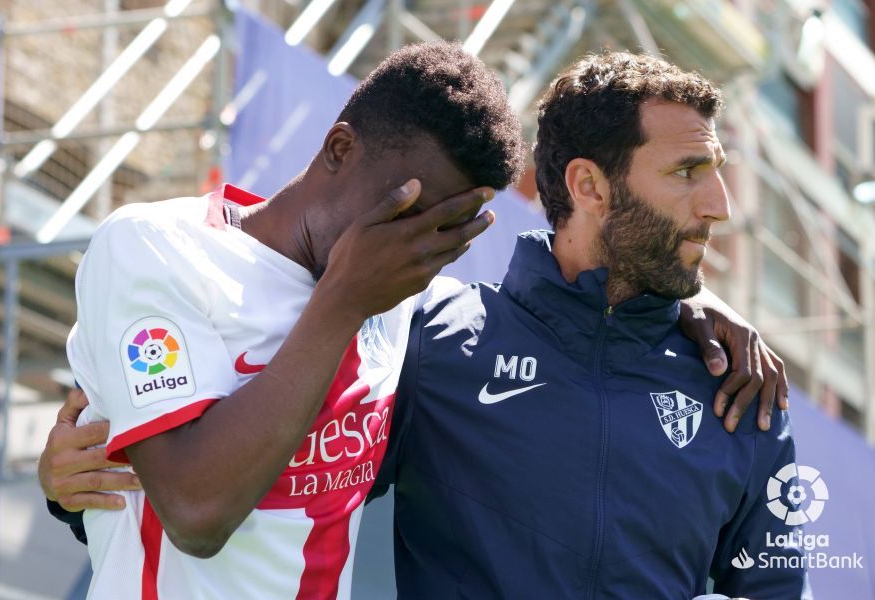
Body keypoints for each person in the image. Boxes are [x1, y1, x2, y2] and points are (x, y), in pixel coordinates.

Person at [40, 47, 790, 598]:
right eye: (689, 173)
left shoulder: (741, 388)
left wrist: (691, 302)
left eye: (447, 231)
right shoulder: (422, 330)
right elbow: (203, 504)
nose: (414, 249)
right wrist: (74, 484)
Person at [51, 41, 526, 599]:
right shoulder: (153, 248)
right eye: (407, 213)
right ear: (339, 148)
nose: (409, 247)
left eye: (444, 231)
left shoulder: (401, 306)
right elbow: (195, 513)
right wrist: (342, 304)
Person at [371, 52, 809, 598]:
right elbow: (299, 519)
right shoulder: (428, 340)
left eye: (718, 169)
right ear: (590, 187)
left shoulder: (742, 391)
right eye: (686, 171)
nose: (720, 206)